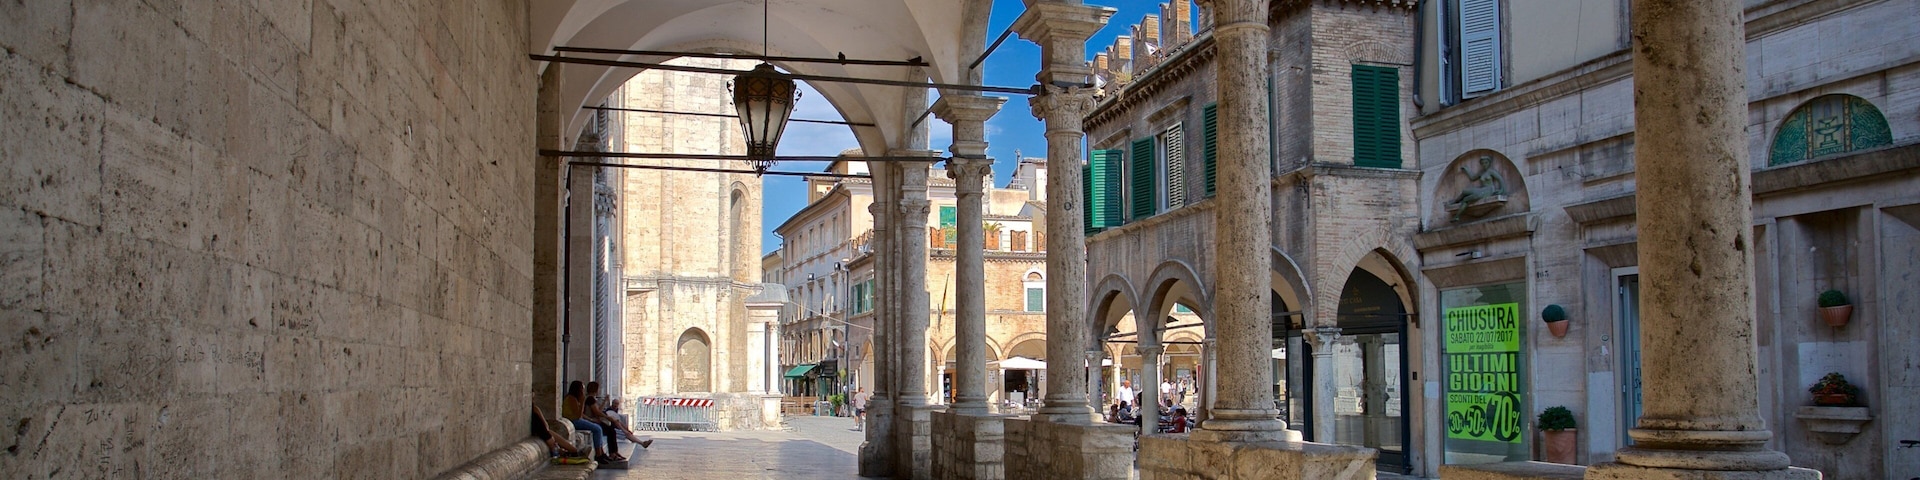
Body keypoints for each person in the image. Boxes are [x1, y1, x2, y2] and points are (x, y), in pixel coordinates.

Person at [563, 381, 621, 463]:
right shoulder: (571, 398)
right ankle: (599, 454)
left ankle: (602, 453)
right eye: (582, 389)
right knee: (597, 429)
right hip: (574, 421)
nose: (583, 391)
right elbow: (579, 415)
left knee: (600, 429)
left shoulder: (575, 398)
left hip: (577, 419)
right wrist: (582, 401)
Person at [586, 382, 653, 449]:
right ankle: (640, 443)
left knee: (622, 430)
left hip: (599, 421)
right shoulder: (590, 399)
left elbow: (598, 410)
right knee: (618, 432)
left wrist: (605, 402)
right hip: (597, 422)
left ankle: (641, 443)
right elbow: (597, 412)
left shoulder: (591, 399)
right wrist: (607, 417)